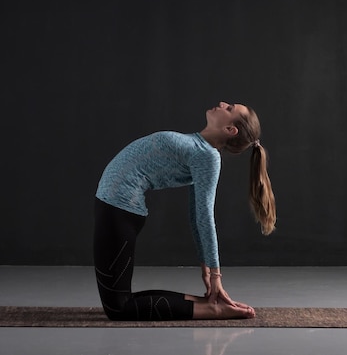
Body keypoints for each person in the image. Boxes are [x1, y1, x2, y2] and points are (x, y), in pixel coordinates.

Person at [93, 101, 276, 321]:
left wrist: (215, 274)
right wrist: (204, 264)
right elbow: (194, 212)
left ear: (230, 130)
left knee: (118, 309)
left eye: (229, 109)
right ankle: (208, 304)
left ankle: (212, 310)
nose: (222, 104)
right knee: (121, 301)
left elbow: (204, 216)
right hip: (115, 207)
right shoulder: (197, 146)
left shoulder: (208, 156)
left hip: (118, 209)